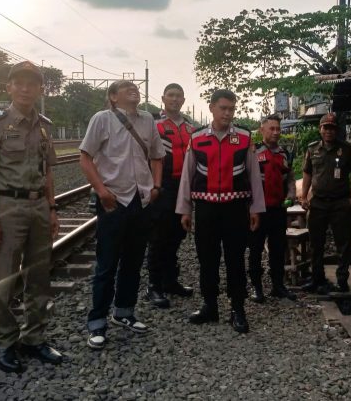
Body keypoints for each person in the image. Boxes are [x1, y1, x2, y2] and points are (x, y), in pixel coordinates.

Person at [0, 60, 63, 373]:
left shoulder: (44, 126)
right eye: (20, 83)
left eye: (32, 84)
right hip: (8, 206)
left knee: (38, 277)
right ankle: (3, 341)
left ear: (40, 90)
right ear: (9, 87)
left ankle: (34, 338)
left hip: (39, 206)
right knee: (5, 278)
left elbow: (47, 171)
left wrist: (52, 209)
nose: (26, 89)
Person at [79, 80, 165, 350]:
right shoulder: (101, 119)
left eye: (134, 87)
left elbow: (157, 156)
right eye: (126, 88)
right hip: (113, 200)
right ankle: (97, 323)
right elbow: (85, 157)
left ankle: (124, 312)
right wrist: (101, 191)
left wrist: (156, 186)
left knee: (133, 261)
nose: (133, 90)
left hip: (141, 200)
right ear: (113, 97)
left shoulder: (148, 120)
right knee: (106, 264)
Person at [176, 89, 265, 333]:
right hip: (205, 209)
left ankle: (238, 308)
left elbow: (254, 176)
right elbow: (187, 176)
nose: (227, 113)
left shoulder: (244, 137)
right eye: (223, 108)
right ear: (212, 108)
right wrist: (185, 209)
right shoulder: (197, 138)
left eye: (231, 109)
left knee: (235, 259)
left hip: (235, 209)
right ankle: (210, 305)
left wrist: (256, 208)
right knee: (207, 259)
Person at [299, 112, 351, 294]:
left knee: (343, 244)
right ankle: (317, 279)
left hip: (340, 203)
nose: (329, 131)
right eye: (326, 127)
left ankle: (342, 281)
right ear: (320, 129)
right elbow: (307, 173)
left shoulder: (346, 149)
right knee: (316, 243)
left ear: (337, 130)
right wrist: (304, 196)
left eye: (332, 128)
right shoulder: (312, 149)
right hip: (318, 202)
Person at [145, 83, 195, 308]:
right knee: (158, 237)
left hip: (183, 187)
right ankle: (154, 285)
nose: (175, 99)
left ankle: (170, 281)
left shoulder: (190, 128)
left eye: (178, 96)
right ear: (163, 98)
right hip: (162, 185)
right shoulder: (153, 124)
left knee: (176, 234)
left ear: (183, 100)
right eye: (171, 95)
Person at [248, 114, 297, 302]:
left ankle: (278, 285)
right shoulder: (253, 151)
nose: (276, 132)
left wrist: (291, 196)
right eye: (272, 129)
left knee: (278, 248)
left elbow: (290, 178)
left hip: (278, 209)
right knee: (255, 248)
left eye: (278, 129)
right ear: (262, 130)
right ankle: (256, 287)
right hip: (258, 210)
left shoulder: (284, 153)